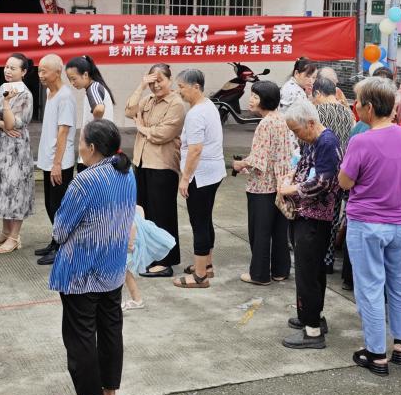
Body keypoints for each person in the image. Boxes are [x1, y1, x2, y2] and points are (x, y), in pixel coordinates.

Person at [48, 120, 136, 395]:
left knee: (81, 334)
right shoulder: (126, 173)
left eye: (81, 142)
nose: (78, 146)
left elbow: (60, 230)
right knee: (111, 328)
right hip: (112, 266)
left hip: (81, 270)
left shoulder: (85, 181)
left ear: (93, 148)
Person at [339, 77, 401, 372]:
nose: (356, 107)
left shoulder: (361, 140)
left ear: (369, 107)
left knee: (371, 287)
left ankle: (376, 352)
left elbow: (345, 181)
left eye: (358, 102)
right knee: (399, 283)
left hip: (368, 222)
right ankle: (400, 343)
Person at [279, 99, 342, 350]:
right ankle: (311, 317)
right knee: (310, 271)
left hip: (316, 217)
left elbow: (324, 182)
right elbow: (303, 168)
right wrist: (289, 179)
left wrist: (291, 188)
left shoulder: (326, 142)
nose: (297, 135)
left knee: (308, 273)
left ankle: (313, 331)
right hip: (307, 214)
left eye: (297, 130)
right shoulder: (314, 141)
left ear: (311, 123)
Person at [124, 63, 185, 277]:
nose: (156, 86)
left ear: (170, 79)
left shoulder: (176, 103)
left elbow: (163, 134)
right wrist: (141, 86)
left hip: (162, 165)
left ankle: (166, 261)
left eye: (160, 80)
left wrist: (140, 127)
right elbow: (129, 110)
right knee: (144, 213)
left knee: (163, 214)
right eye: (152, 81)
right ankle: (149, 255)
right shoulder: (148, 100)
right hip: (141, 162)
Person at [232, 80, 294, 285]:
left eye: (255, 96)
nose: (251, 99)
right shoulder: (282, 119)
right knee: (278, 231)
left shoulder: (265, 124)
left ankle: (259, 274)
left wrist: (240, 164)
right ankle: (280, 270)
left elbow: (258, 160)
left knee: (259, 232)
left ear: (265, 100)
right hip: (281, 184)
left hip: (262, 186)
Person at [173, 69, 224, 289]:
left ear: (196, 87)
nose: (180, 92)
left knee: (199, 222)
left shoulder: (196, 113)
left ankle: (200, 276)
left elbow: (195, 150)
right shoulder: (208, 105)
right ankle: (207, 264)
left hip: (199, 175)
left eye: (182, 87)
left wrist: (185, 178)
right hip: (212, 172)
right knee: (205, 218)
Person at [0, 54, 35, 255]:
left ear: (23, 72)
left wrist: (5, 112)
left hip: (17, 149)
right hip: (1, 146)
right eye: (6, 67)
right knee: (3, 187)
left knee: (16, 190)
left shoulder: (26, 95)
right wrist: (1, 125)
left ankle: (14, 236)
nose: (7, 71)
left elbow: (15, 124)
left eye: (13, 68)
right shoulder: (1, 88)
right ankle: (5, 232)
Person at [32, 54, 78, 266]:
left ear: (57, 72)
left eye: (44, 71)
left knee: (58, 207)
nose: (40, 75)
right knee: (50, 205)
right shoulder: (51, 93)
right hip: (49, 159)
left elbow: (63, 132)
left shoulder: (65, 96)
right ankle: (55, 241)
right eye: (39, 70)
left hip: (60, 162)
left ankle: (63, 246)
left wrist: (57, 164)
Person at [313, 72, 355, 287]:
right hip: (344, 171)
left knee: (319, 215)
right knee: (335, 215)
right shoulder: (348, 113)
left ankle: (320, 258)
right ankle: (329, 260)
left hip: (322, 170)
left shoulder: (317, 111)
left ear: (318, 93)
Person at [66, 55, 115, 126]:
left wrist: (93, 128)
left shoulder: (93, 88)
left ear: (85, 75)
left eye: (74, 79)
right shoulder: (93, 88)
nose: (72, 83)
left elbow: (99, 109)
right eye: (69, 80)